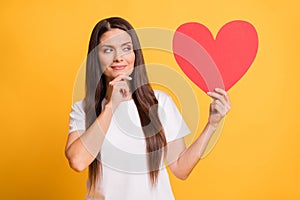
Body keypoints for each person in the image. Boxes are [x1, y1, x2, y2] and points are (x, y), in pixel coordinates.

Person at [65, 17, 231, 200]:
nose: (118, 57)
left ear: (135, 54)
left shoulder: (161, 103)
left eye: (126, 48)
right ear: (95, 56)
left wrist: (212, 124)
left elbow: (181, 169)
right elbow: (78, 162)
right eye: (108, 50)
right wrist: (111, 106)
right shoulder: (83, 109)